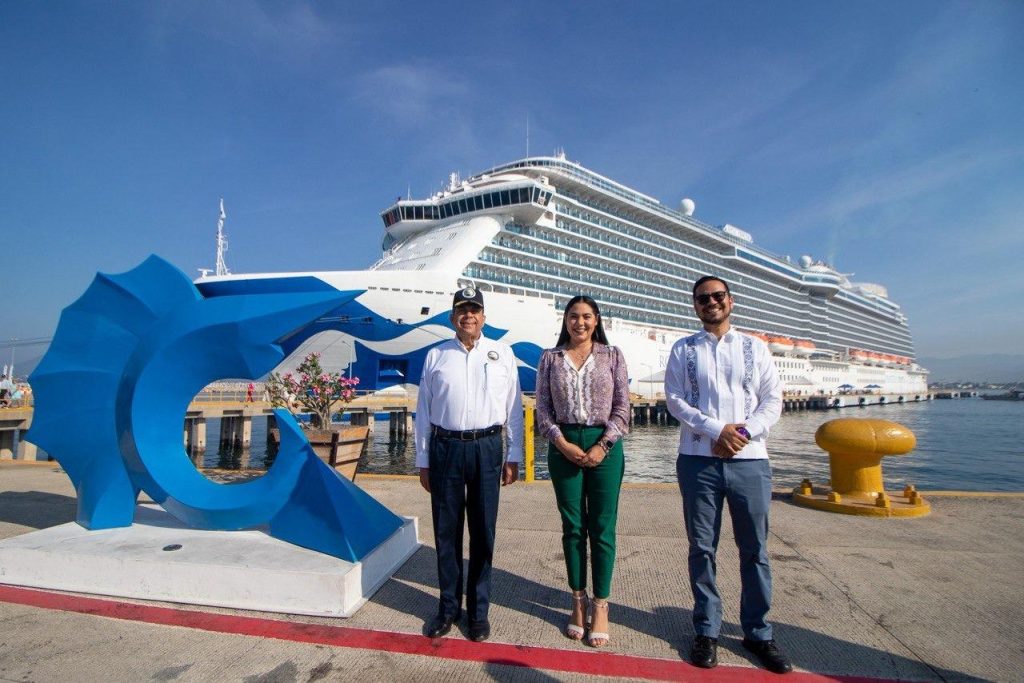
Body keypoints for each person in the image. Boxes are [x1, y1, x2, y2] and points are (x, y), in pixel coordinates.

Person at [664, 276, 791, 674]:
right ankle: (707, 629)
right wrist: (717, 430)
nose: (711, 303)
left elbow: (773, 400)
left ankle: (759, 632)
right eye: (703, 298)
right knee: (702, 547)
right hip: (698, 459)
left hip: (750, 459)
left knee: (754, 549)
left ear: (730, 301)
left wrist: (742, 433)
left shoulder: (756, 347)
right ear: (695, 305)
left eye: (718, 296)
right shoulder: (682, 348)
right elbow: (675, 400)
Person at [415, 286, 523, 643]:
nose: (468, 316)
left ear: (483, 317)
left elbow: (513, 409)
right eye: (462, 310)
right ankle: (448, 608)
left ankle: (478, 612)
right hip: (446, 446)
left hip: (488, 446)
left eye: (474, 310)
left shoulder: (502, 353)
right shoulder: (435, 356)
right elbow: (424, 413)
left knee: (483, 531)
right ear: (452, 318)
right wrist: (423, 459)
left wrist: (514, 454)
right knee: (446, 533)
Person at [535, 295, 629, 647]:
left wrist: (602, 445)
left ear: (597, 319)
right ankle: (577, 600)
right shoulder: (550, 358)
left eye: (587, 316)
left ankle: (601, 605)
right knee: (573, 527)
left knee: (602, 528)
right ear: (565, 320)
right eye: (574, 316)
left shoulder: (613, 355)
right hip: (563, 445)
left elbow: (623, 407)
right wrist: (562, 443)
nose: (580, 323)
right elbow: (543, 409)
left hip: (605, 444)